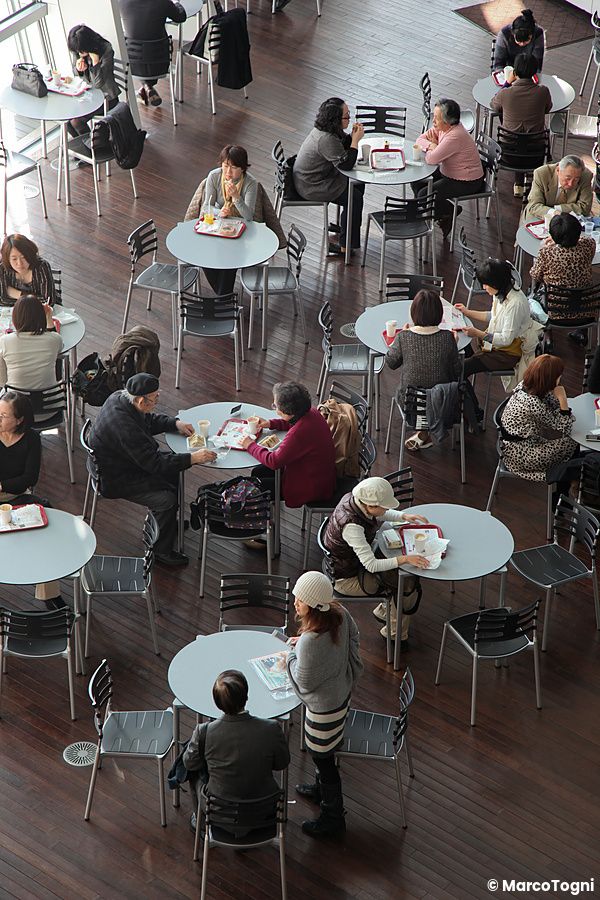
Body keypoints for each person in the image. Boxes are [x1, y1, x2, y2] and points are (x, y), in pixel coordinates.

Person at [90, 373, 216, 567]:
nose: (157, 400)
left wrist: (175, 424)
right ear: (141, 400)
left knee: (174, 470)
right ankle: (160, 551)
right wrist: (193, 458)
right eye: (155, 398)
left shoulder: (120, 398)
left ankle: (166, 525)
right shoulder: (126, 428)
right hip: (116, 477)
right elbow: (154, 464)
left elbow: (148, 420)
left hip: (123, 462)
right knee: (166, 499)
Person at [286, 571, 363, 837]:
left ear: (315, 605)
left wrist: (289, 657)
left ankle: (333, 817)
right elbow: (353, 637)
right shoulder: (340, 613)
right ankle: (320, 792)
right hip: (341, 697)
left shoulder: (309, 642)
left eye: (301, 599)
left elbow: (303, 682)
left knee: (324, 759)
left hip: (322, 712)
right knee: (325, 756)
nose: (295, 601)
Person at [323, 477, 429, 646]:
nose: (386, 509)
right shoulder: (352, 527)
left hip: (349, 564)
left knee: (400, 574)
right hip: (347, 579)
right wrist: (405, 559)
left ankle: (386, 613)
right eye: (384, 506)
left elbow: (380, 512)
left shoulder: (353, 500)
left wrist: (404, 516)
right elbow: (371, 565)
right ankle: (395, 634)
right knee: (404, 583)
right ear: (370, 506)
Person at [183, 670, 290, 833]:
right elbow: (281, 763)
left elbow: (189, 763)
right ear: (246, 697)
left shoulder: (204, 732)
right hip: (263, 811)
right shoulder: (271, 728)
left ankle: (201, 824)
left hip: (220, 813)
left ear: (217, 703)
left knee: (193, 770)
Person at [0, 390, 64, 609]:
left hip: (16, 497)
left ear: (19, 420)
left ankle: (49, 593)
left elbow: (30, 478)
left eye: (3, 416)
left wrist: (2, 485)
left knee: (45, 530)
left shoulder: (32, 439)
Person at [240, 381, 337, 509]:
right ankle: (267, 510)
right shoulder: (311, 413)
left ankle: (266, 518)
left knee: (256, 485)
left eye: (275, 406)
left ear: (288, 411)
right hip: (321, 475)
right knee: (258, 471)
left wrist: (250, 445)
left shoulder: (299, 433)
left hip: (309, 486)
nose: (274, 408)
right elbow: (292, 422)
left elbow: (274, 461)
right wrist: (270, 423)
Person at [386, 289, 462, 451]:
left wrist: (400, 339)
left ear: (413, 314)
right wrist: (453, 346)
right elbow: (457, 371)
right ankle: (423, 434)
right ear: (439, 315)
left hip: (411, 405)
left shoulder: (404, 337)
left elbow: (391, 363)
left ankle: (423, 433)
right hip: (441, 404)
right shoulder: (447, 338)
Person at [293, 97, 365, 257]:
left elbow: (340, 146)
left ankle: (348, 228)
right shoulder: (325, 139)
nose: (349, 118)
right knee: (354, 197)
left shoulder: (327, 130)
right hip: (312, 185)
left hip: (318, 177)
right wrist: (355, 141)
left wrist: (351, 137)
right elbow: (346, 164)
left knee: (358, 184)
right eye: (346, 116)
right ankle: (345, 246)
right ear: (335, 120)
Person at [500, 354, 578, 484]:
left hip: (516, 446)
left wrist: (557, 399)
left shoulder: (525, 386)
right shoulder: (533, 404)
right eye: (558, 376)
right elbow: (565, 427)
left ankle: (569, 476)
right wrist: (563, 400)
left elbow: (553, 405)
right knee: (573, 443)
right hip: (521, 456)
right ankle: (568, 480)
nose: (560, 378)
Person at [413, 99, 484, 237]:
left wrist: (432, 147)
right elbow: (419, 139)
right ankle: (440, 215)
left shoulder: (455, 136)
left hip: (467, 181)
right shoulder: (442, 128)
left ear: (447, 121)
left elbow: (431, 159)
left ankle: (449, 211)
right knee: (416, 180)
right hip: (449, 172)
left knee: (423, 195)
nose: (433, 121)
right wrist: (432, 146)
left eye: (437, 118)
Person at [457, 259, 532, 378]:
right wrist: (467, 312)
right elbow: (493, 316)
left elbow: (506, 339)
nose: (483, 287)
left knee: (462, 369)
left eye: (486, 284)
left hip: (507, 353)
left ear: (496, 283)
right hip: (495, 344)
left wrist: (477, 333)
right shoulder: (501, 291)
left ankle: (463, 394)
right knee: (462, 353)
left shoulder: (515, 304)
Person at [530, 212, 596, 347]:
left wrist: (549, 245)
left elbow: (535, 275)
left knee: (532, 293)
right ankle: (582, 333)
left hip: (554, 311)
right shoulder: (589, 245)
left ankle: (547, 335)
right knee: (581, 285)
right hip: (586, 307)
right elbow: (585, 240)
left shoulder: (546, 253)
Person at [199, 145, 258, 296]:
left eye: (233, 168)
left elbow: (249, 216)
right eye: (225, 166)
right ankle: (224, 298)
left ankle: (223, 299)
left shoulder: (251, 183)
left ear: (243, 168)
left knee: (230, 258)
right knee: (205, 256)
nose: (228, 172)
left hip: (241, 231)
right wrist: (220, 212)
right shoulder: (214, 176)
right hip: (218, 225)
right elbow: (206, 206)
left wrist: (237, 198)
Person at [490, 53, 552, 197]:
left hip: (508, 154)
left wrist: (507, 83)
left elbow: (493, 105)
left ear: (515, 72)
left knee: (506, 117)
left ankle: (518, 183)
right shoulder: (543, 91)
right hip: (535, 153)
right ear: (534, 72)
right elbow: (547, 109)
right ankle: (525, 181)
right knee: (534, 129)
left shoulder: (506, 93)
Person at [0, 296, 62, 417]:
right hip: (50, 408)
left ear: (15, 318)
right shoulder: (54, 340)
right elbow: (56, 342)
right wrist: (49, 317)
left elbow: (2, 381)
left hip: (15, 415)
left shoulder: (5, 341)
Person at [118, 0, 186, 106]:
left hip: (132, 63)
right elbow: (181, 17)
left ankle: (146, 86)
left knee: (142, 51)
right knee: (151, 55)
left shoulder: (121, 2)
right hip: (160, 63)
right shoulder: (163, 2)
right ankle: (147, 86)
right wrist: (177, 4)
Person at [66, 25, 120, 136]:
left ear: (88, 45)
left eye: (81, 51)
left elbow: (98, 84)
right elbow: (76, 74)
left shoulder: (106, 49)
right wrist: (79, 69)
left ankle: (94, 148)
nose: (79, 53)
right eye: (76, 51)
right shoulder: (78, 49)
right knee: (67, 121)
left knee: (76, 121)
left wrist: (95, 63)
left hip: (107, 98)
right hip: (88, 96)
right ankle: (88, 148)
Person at [523, 156, 593, 222]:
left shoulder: (586, 176)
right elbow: (534, 206)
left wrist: (557, 209)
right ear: (558, 170)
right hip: (540, 215)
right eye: (568, 178)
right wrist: (553, 212)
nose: (570, 184)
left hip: (569, 220)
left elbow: (585, 207)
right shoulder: (541, 174)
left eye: (576, 179)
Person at [0, 234, 57, 306]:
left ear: (29, 254)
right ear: (7, 259)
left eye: (23, 257)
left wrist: (16, 294)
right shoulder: (2, 268)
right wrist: (34, 299)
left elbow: (48, 301)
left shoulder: (41, 267)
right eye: (14, 259)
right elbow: (2, 300)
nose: (19, 263)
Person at [493, 8, 545, 72]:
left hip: (528, 71)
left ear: (532, 34)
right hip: (508, 70)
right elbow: (498, 64)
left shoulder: (538, 33)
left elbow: (537, 64)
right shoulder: (504, 34)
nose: (522, 44)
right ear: (513, 33)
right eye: (518, 40)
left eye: (526, 41)